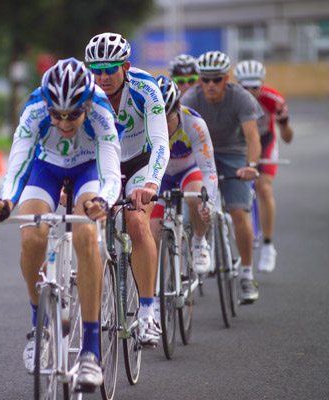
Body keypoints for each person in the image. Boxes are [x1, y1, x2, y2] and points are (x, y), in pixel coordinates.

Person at [0, 58, 122, 391]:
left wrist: (103, 201)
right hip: (45, 167)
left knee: (85, 235)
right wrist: (5, 202)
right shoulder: (34, 108)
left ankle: (90, 352)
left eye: (73, 115)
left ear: (87, 105)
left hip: (88, 168)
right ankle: (39, 326)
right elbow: (18, 164)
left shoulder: (102, 111)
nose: (63, 122)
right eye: (56, 114)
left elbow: (110, 170)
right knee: (32, 236)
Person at [85, 32, 170, 346]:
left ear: (126, 66)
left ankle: (148, 314)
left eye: (110, 69)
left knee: (136, 222)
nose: (103, 77)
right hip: (102, 163)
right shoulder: (85, 92)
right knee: (87, 226)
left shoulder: (145, 87)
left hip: (139, 163)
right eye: (97, 70)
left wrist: (151, 183)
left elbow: (160, 141)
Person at [181, 51, 263, 304]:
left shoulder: (241, 98)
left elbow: (253, 137)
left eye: (216, 79)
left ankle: (247, 275)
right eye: (205, 79)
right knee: (192, 206)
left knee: (239, 212)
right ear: (199, 80)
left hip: (233, 154)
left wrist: (251, 166)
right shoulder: (190, 98)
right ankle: (192, 256)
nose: (210, 85)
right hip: (201, 153)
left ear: (226, 80)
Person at [150, 76, 218, 274]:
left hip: (188, 171)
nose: (163, 127)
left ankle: (199, 242)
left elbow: (209, 170)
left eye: (167, 119)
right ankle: (157, 288)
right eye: (157, 120)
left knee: (196, 199)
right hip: (160, 176)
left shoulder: (194, 122)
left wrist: (208, 202)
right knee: (153, 232)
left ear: (178, 109)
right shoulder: (143, 123)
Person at [233, 60, 294, 273]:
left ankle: (268, 245)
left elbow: (287, 138)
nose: (250, 92)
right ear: (237, 85)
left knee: (264, 188)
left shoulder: (274, 100)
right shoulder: (231, 98)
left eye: (255, 87)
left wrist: (284, 124)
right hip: (241, 143)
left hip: (265, 141)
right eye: (245, 87)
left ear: (262, 84)